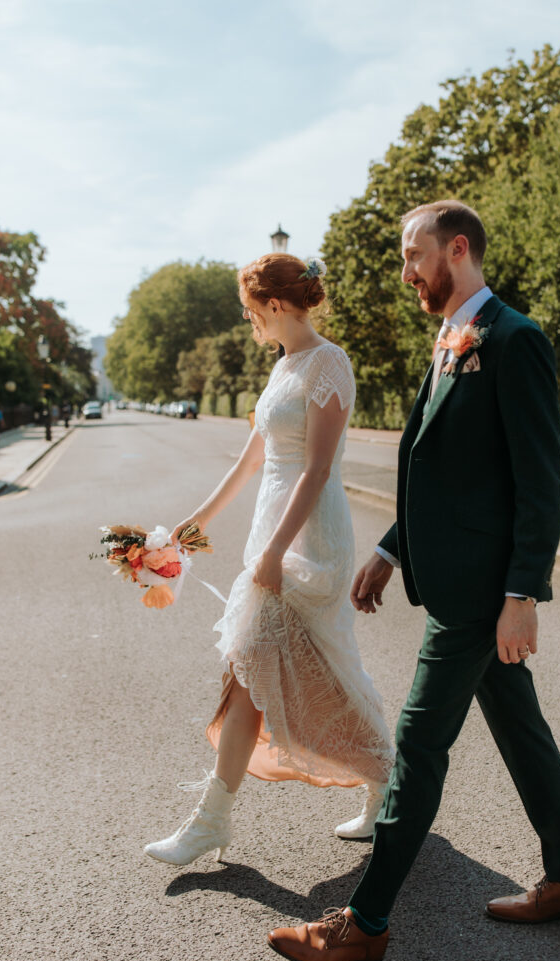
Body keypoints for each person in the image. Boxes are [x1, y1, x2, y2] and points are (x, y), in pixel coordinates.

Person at [267, 201, 560, 961]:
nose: (404, 271)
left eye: (412, 255)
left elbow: (537, 481)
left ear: (457, 249)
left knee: (418, 746)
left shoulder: (515, 341)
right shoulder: (450, 339)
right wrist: (390, 550)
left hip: (480, 592)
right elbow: (446, 472)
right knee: (521, 732)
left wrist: (522, 593)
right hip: (456, 577)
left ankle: (364, 920)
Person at [143, 253, 395, 868]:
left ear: (277, 305)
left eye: (252, 311)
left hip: (310, 539)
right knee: (267, 668)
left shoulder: (329, 363)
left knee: (294, 665)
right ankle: (385, 786)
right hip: (271, 532)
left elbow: (316, 469)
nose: (250, 322)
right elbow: (251, 460)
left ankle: (217, 817)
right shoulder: (282, 367)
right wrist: (194, 524)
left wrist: (279, 551)